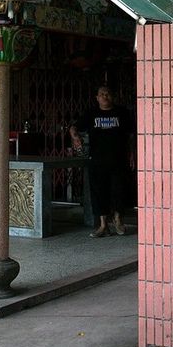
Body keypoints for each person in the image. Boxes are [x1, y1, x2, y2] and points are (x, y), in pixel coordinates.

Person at [70, 86, 133, 237]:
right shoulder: (91, 113)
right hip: (97, 160)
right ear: (97, 97)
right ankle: (103, 225)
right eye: (102, 94)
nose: (105, 96)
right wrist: (75, 137)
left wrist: (132, 154)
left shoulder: (122, 113)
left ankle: (118, 220)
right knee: (99, 192)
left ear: (113, 96)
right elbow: (74, 127)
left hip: (119, 159)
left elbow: (131, 135)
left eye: (108, 94)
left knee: (118, 190)